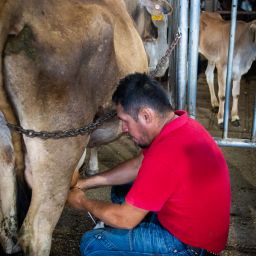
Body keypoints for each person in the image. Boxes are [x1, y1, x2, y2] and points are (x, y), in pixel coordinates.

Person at [67, 73, 231, 256]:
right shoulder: (180, 125)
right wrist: (85, 183)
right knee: (123, 188)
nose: (124, 129)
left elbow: (125, 219)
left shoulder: (166, 154)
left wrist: (82, 201)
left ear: (146, 115)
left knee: (93, 243)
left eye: (125, 121)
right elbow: (138, 166)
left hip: (186, 246)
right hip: (194, 229)